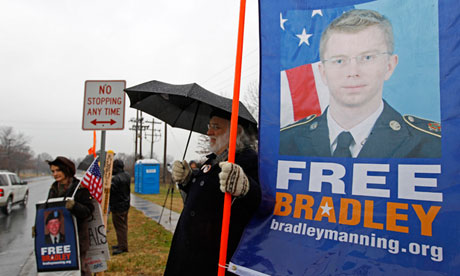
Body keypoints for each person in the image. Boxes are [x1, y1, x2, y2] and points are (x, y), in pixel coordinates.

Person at [279, 9, 441, 158]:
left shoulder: (433, 146)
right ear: (323, 72)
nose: (352, 71)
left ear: (389, 66)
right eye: (339, 60)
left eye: (367, 57)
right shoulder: (285, 142)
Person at [164, 109, 261, 276]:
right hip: (187, 254)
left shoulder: (251, 161)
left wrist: (247, 188)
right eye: (209, 126)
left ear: (236, 131)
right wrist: (188, 181)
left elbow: (261, 201)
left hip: (213, 259)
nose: (208, 132)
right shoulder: (212, 160)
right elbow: (201, 198)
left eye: (216, 127)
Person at [46, 156, 94, 276]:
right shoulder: (53, 188)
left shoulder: (79, 187)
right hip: (60, 236)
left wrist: (74, 206)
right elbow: (48, 210)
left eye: (58, 170)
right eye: (53, 171)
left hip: (78, 235)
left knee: (81, 267)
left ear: (66, 170)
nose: (55, 174)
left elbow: (88, 211)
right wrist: (40, 227)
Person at [109, 159, 131, 255]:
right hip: (125, 204)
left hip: (118, 206)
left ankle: (122, 247)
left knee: (120, 227)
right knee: (123, 226)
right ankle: (121, 243)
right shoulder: (127, 176)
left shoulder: (116, 179)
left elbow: (111, 191)